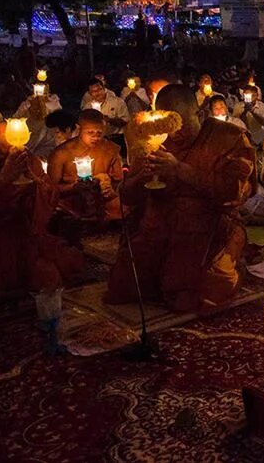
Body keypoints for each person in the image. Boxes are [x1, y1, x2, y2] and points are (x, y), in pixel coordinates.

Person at [106, 84, 256, 312]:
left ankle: (234, 263)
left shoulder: (228, 137)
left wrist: (180, 170)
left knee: (194, 299)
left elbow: (234, 193)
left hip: (206, 231)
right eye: (168, 125)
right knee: (121, 290)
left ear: (201, 114)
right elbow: (127, 195)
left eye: (180, 124)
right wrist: (142, 177)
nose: (173, 133)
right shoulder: (155, 138)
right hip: (157, 228)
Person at [0, 122, 83, 303]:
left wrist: (40, 183)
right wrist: (3, 178)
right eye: (2, 156)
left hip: (23, 235)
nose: (10, 160)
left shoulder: (25, 160)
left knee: (51, 275)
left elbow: (49, 195)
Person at [47, 109, 123, 221]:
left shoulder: (110, 149)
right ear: (79, 129)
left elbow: (120, 181)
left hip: (102, 200)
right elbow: (49, 188)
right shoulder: (62, 153)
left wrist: (109, 186)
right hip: (71, 200)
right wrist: (74, 187)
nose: (95, 137)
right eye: (90, 133)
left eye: (99, 133)